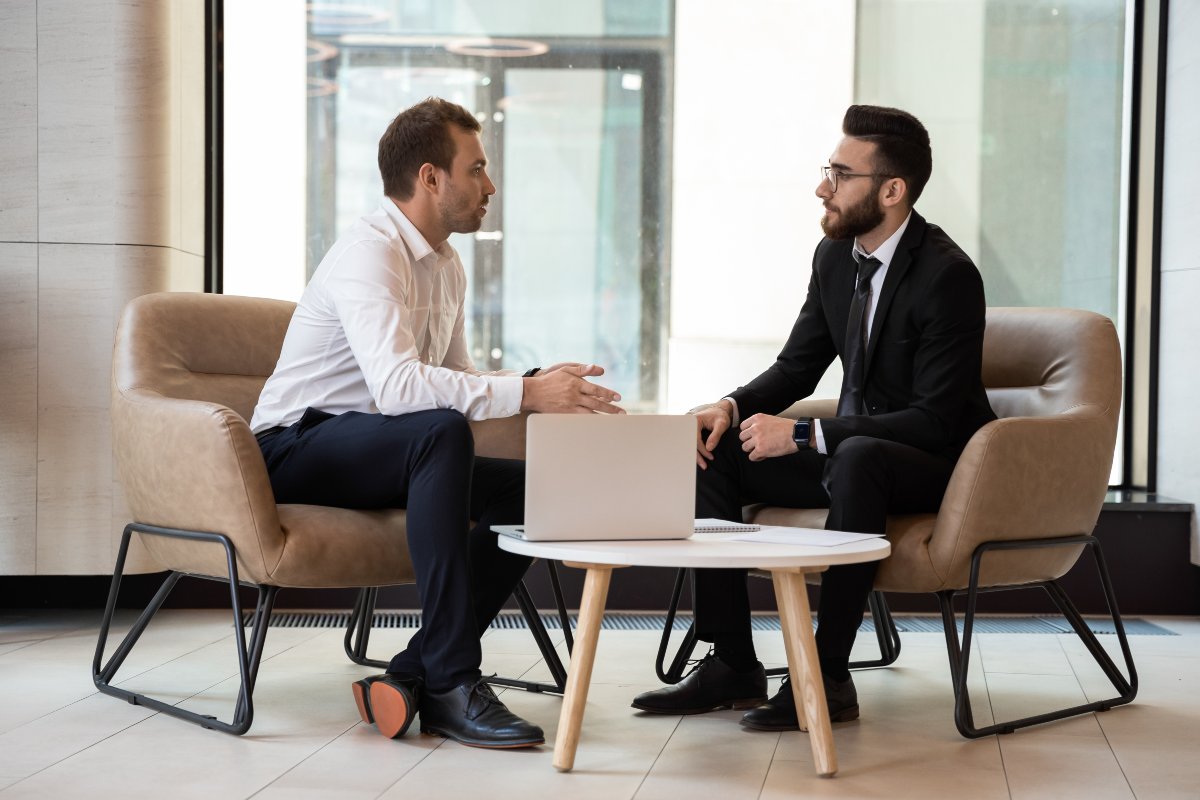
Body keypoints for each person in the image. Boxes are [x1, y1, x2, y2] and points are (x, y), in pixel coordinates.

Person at [250, 97, 624, 749]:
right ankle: (453, 680)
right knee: (438, 431)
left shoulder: (446, 264)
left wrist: (531, 384)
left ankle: (413, 672)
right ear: (430, 177)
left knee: (528, 492)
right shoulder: (371, 252)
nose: (491, 185)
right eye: (476, 168)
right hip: (294, 447)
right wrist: (526, 394)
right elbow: (401, 391)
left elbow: (458, 379)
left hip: (379, 451)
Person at [631, 104, 996, 729]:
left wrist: (804, 433)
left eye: (839, 173)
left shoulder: (948, 276)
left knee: (855, 456)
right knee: (715, 449)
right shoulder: (834, 259)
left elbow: (934, 419)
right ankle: (732, 660)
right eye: (827, 170)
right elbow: (797, 368)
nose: (822, 187)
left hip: (932, 463)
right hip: (851, 453)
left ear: (891, 190)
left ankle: (825, 675)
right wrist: (729, 407)